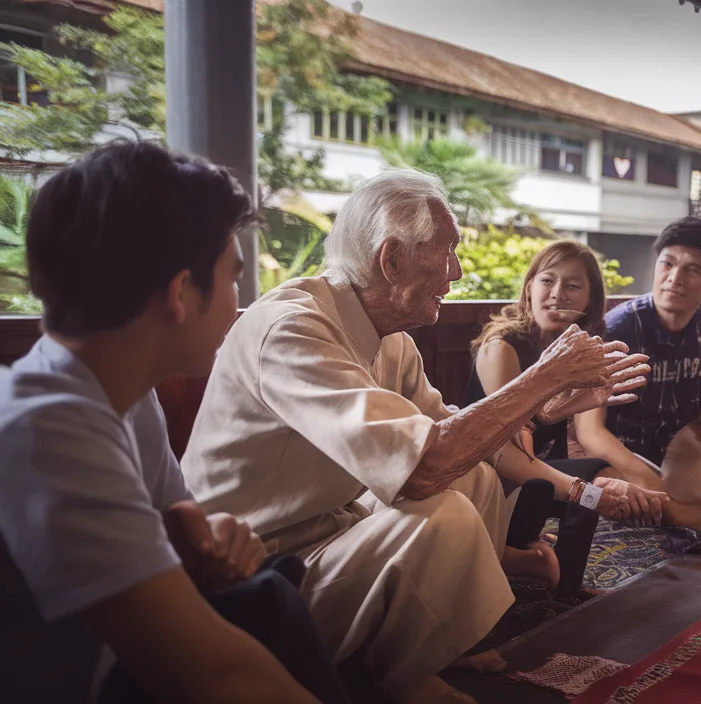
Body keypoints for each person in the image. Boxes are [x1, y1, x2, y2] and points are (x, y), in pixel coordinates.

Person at [179, 170, 651, 704]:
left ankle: (424, 648)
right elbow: (425, 464)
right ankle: (390, 679)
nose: (457, 269)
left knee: (473, 478)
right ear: (392, 260)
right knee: (445, 512)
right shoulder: (293, 328)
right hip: (253, 571)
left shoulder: (390, 339)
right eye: (447, 251)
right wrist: (541, 378)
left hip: (329, 533)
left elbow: (460, 435)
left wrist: (540, 410)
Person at [0, 141, 346, 703]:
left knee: (268, 592)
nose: (238, 302)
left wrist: (202, 540)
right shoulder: (47, 429)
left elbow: (183, 525)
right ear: (181, 292)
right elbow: (212, 672)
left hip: (108, 661)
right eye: (233, 278)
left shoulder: (121, 396)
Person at [466, 239, 668, 595]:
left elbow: (576, 439)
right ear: (528, 288)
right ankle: (516, 554)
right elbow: (510, 447)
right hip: (487, 475)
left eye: (573, 285)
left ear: (589, 299)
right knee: (583, 487)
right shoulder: (502, 347)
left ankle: (566, 587)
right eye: (547, 280)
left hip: (530, 476)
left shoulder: (578, 351)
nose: (558, 294)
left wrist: (637, 484)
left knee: (591, 471)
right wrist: (588, 491)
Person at [573, 217, 701, 533]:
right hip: (613, 454)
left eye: (692, 270)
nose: (674, 278)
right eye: (668, 264)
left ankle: (680, 504)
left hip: (672, 449)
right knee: (626, 493)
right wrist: (649, 480)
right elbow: (589, 432)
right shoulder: (619, 326)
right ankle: (687, 514)